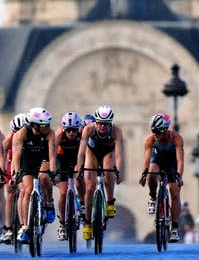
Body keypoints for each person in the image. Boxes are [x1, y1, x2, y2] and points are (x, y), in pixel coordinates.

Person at [76, 104, 124, 242]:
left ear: (111, 123)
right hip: (92, 153)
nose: (103, 127)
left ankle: (109, 202)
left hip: (108, 153)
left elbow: (119, 154)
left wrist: (119, 171)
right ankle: (87, 224)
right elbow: (81, 152)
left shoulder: (116, 131)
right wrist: (79, 168)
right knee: (90, 189)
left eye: (106, 124)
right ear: (96, 122)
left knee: (109, 171)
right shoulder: (88, 129)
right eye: (100, 124)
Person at [10, 106, 57, 243]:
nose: (47, 127)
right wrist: (16, 173)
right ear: (35, 125)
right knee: (27, 190)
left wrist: (53, 172)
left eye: (48, 124)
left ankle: (49, 203)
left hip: (43, 160)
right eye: (44, 125)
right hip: (27, 162)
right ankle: (25, 226)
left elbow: (52, 156)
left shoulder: (50, 133)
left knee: (43, 177)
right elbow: (16, 158)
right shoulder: (22, 133)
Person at [139, 112, 184, 242]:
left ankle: (174, 228)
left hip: (172, 163)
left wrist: (179, 176)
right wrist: (144, 174)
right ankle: (153, 197)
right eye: (153, 131)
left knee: (174, 192)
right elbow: (146, 160)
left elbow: (180, 160)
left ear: (165, 130)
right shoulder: (150, 140)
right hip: (157, 160)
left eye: (158, 132)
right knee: (151, 173)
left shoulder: (176, 138)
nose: (155, 135)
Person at [54, 111, 86, 240]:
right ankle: (62, 224)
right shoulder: (58, 135)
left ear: (78, 128)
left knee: (80, 181)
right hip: (62, 162)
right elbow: (51, 154)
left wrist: (82, 167)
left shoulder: (83, 134)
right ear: (63, 129)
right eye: (68, 130)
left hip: (78, 160)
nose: (71, 133)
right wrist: (53, 169)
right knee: (63, 192)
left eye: (74, 130)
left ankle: (83, 205)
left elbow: (86, 153)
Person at [0, 112, 26, 244]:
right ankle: (9, 228)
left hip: (26, 162)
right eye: (15, 131)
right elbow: (2, 156)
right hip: (12, 163)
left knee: (25, 189)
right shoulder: (9, 139)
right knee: (10, 192)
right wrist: (1, 172)